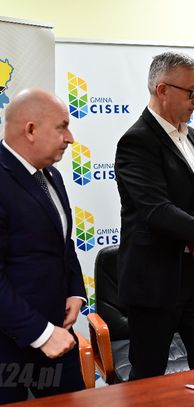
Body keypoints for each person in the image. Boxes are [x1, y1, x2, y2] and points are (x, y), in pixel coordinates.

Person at [114, 52, 194, 380]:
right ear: (162, 90)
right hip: (155, 281)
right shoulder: (137, 141)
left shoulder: (190, 134)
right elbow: (157, 211)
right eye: (191, 92)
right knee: (148, 377)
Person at [0, 88, 87, 404]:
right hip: (10, 348)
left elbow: (62, 243)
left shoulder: (51, 175)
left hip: (59, 338)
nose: (70, 138)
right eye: (62, 127)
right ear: (31, 130)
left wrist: (75, 291)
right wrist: (41, 333)